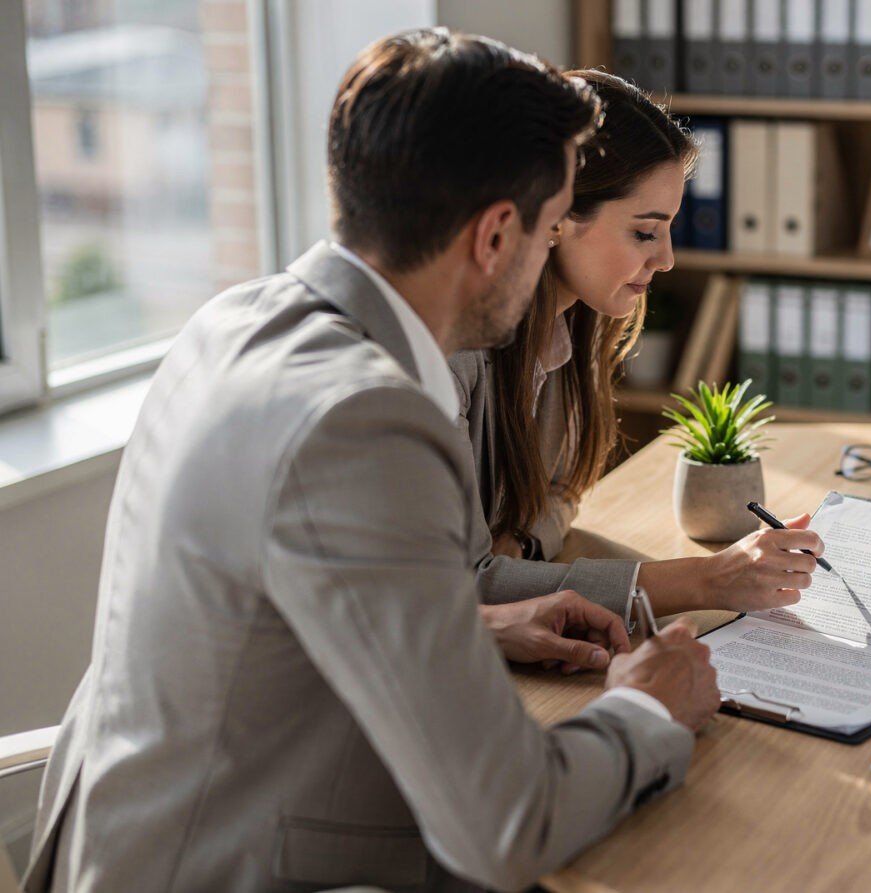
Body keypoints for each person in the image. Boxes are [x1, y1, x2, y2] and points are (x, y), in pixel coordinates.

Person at [24, 29, 721, 893]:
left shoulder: (231, 322)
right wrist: (645, 710)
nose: (549, 262)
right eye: (548, 234)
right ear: (495, 236)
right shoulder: (366, 419)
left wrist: (468, 623)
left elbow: (266, 627)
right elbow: (507, 823)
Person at [451, 70, 823, 629]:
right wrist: (706, 579)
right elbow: (458, 586)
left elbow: (561, 494)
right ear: (555, 216)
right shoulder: (451, 352)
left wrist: (524, 545)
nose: (667, 259)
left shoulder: (570, 327)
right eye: (645, 233)